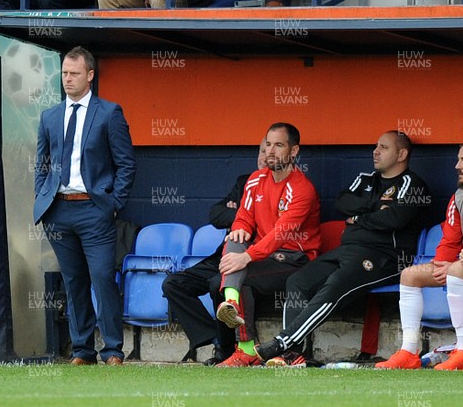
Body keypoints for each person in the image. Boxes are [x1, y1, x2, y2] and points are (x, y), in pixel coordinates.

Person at [254, 131, 431, 366]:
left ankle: (283, 343)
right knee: (298, 280)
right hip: (348, 250)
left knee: (336, 284)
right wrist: (376, 207)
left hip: (385, 257)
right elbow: (342, 203)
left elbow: (394, 220)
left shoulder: (411, 183)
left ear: (402, 154)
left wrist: (357, 218)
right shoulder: (366, 178)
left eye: (384, 147)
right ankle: (293, 355)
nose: (375, 151)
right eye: (375, 146)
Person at [33, 46, 136, 366]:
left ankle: (113, 350)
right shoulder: (49, 116)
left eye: (74, 73)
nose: (67, 78)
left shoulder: (109, 113)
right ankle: (82, 350)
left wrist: (113, 204)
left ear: (90, 76)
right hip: (59, 211)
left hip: (95, 210)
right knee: (73, 280)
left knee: (103, 277)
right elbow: (42, 164)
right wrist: (42, 198)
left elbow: (126, 164)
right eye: (64, 72)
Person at [213, 122, 322, 367]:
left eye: (279, 145)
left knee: (241, 276)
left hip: (296, 258)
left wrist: (247, 257)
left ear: (293, 151)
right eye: (268, 144)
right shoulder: (254, 180)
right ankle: (242, 340)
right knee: (233, 238)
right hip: (265, 257)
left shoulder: (302, 188)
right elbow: (244, 216)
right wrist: (241, 228)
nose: (271, 151)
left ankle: (248, 347)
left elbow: (281, 234)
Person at [161, 139, 267, 366]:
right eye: (261, 150)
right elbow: (215, 215)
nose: (264, 155)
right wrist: (243, 214)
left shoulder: (281, 188)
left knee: (216, 284)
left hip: (253, 258)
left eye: (271, 149)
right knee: (173, 284)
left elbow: (266, 224)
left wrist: (242, 214)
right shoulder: (244, 181)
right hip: (223, 254)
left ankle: (228, 352)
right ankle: (216, 339)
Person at [376, 141, 463, 370]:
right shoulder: (460, 196)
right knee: (411, 275)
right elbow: (450, 239)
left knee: (457, 271)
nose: (457, 166)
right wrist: (443, 263)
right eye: (458, 159)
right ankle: (409, 351)